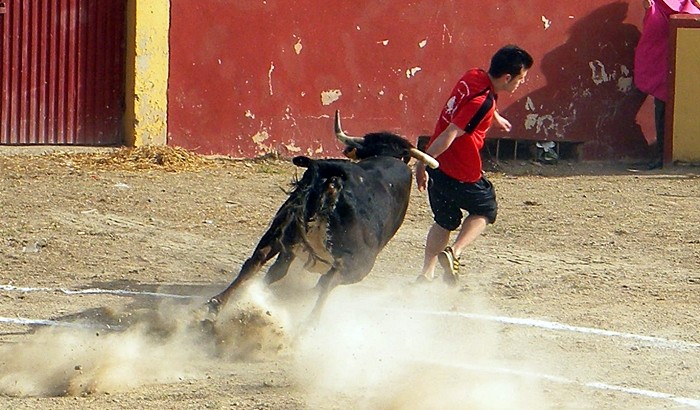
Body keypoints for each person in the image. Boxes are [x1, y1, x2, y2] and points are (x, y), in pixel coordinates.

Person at [415, 45, 534, 285]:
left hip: (439, 167)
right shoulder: (483, 102)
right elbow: (450, 134)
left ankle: (426, 275)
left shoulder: (473, 76)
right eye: (521, 79)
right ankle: (455, 252)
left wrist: (495, 117)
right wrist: (420, 162)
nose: (521, 83)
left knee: (445, 220)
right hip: (461, 170)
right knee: (485, 209)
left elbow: (477, 104)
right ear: (507, 77)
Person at [634, 0, 699, 170]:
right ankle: (663, 154)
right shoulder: (657, 6)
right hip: (664, 58)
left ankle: (663, 154)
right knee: (662, 103)